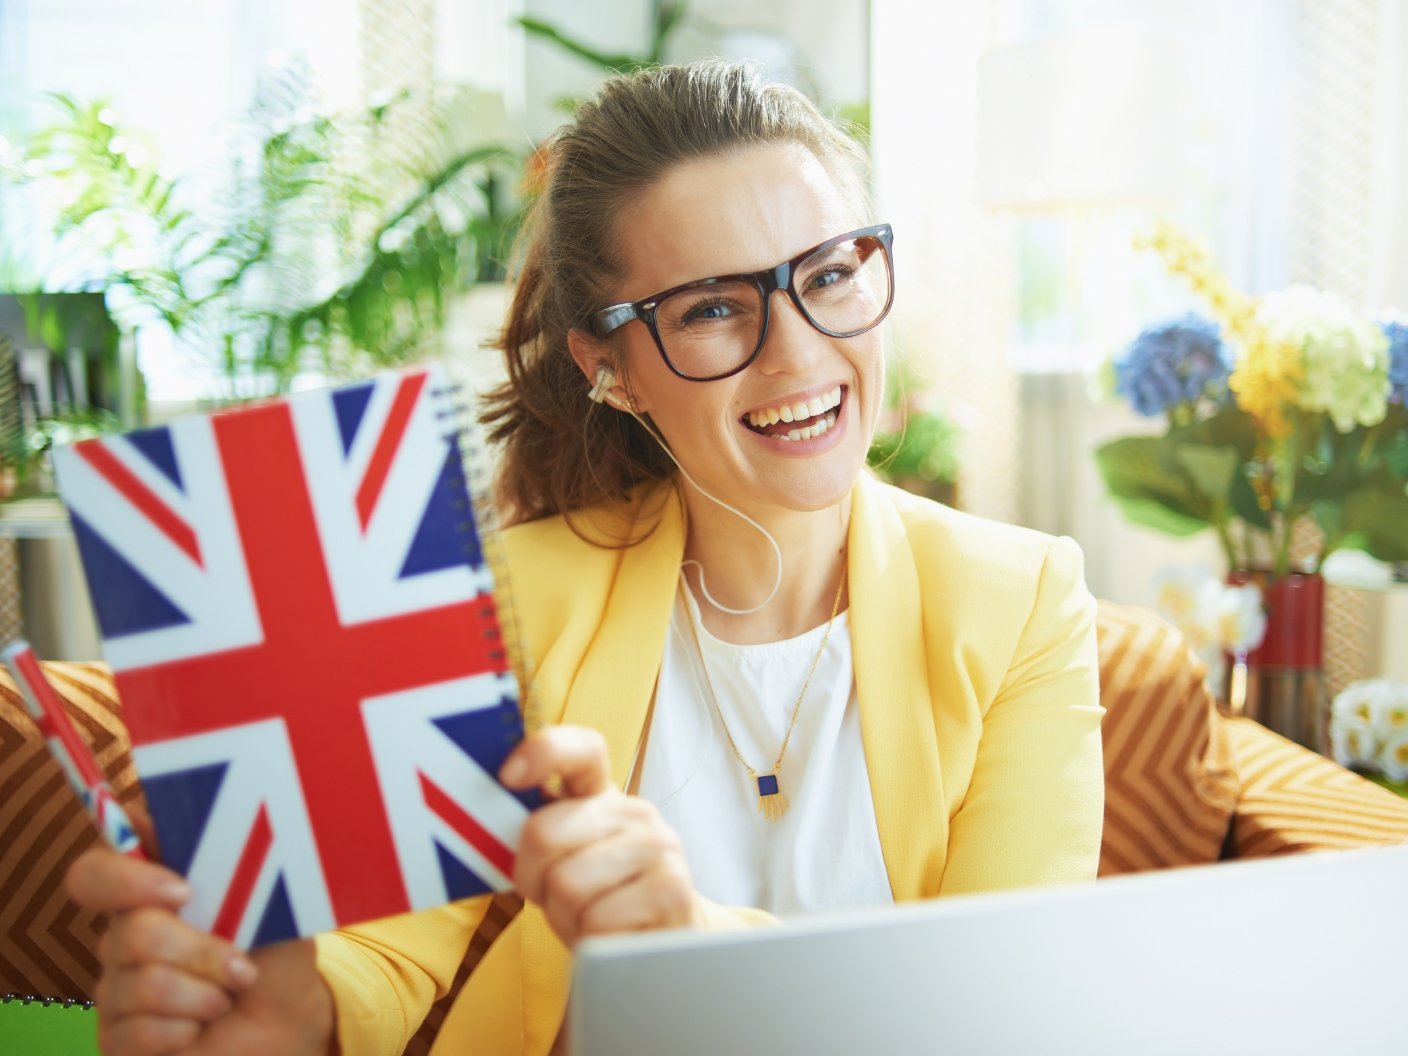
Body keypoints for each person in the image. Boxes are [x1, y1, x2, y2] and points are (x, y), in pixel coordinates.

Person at [66, 60, 1104, 1056]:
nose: (797, 352)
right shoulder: (507, 599)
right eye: (712, 308)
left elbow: (999, 1004)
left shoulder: (1022, 600)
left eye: (828, 275)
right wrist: (299, 1010)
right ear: (610, 369)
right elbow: (386, 948)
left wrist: (689, 941)